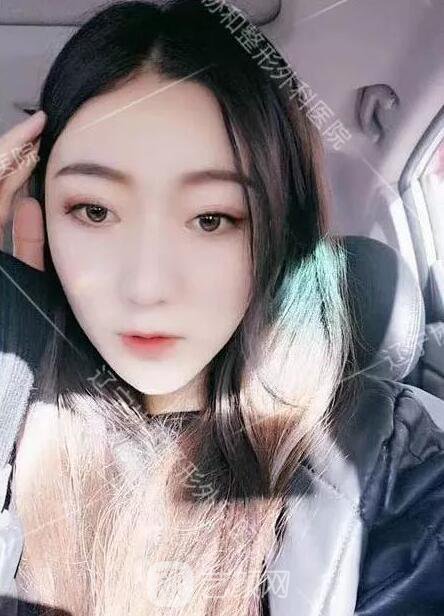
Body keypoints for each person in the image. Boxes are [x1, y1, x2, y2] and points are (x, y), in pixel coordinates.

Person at [0, 1, 442, 615]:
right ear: (42, 219)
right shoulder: (16, 416)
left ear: (281, 234)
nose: (147, 287)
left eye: (213, 219)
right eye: (94, 211)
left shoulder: (388, 469)